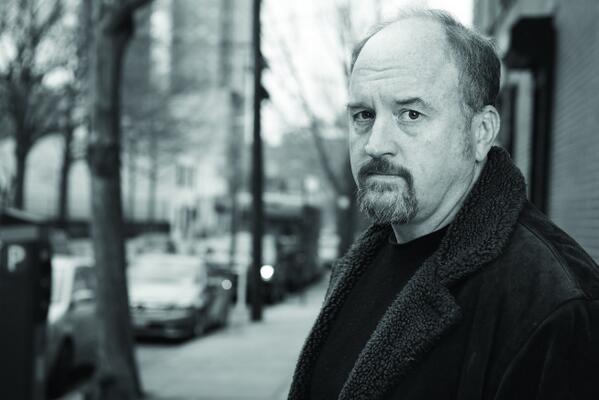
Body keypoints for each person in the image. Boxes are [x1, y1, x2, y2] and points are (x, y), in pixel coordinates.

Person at [288, 8, 599, 400]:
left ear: (481, 132)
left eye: (411, 114)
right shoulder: (358, 267)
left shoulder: (556, 306)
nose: (375, 144)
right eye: (364, 115)